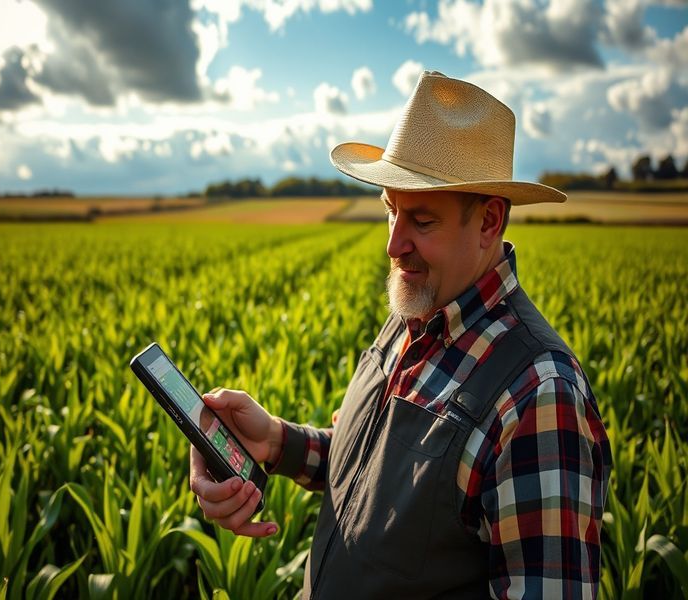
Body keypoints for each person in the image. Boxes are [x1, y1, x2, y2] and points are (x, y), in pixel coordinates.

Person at [189, 71, 612, 598]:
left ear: (489, 222)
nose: (393, 245)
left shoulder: (540, 397)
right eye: (391, 211)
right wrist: (275, 441)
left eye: (422, 220)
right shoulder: (417, 310)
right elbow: (380, 470)